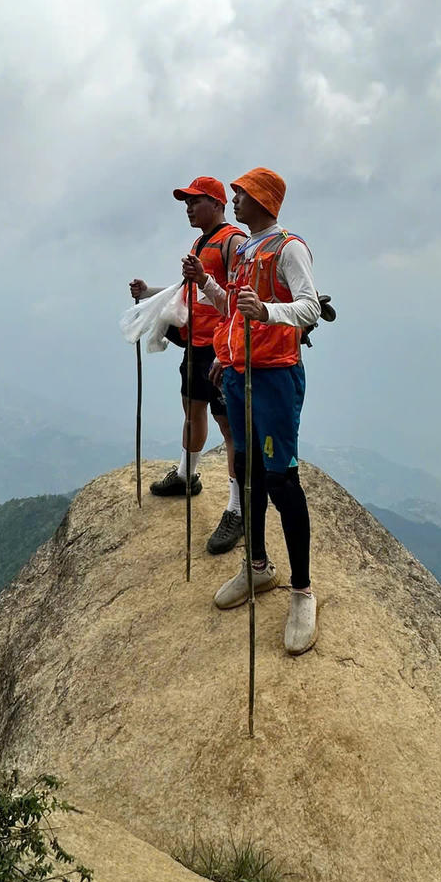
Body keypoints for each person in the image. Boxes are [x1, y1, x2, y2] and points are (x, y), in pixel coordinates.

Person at [182, 167, 321, 655]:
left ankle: (302, 592)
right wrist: (207, 286)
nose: (235, 201)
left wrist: (266, 311)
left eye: (240, 194)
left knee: (282, 480)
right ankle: (257, 567)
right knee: (249, 473)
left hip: (275, 376)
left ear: (263, 199)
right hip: (241, 373)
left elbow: (305, 306)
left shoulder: (289, 248)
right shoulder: (243, 250)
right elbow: (232, 308)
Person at [130, 177, 246, 553]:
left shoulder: (233, 242)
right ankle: (186, 474)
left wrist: (204, 278)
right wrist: (148, 292)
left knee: (230, 428)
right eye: (186, 204)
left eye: (195, 202)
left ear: (216, 203)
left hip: (223, 349)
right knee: (191, 410)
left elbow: (242, 296)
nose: (188, 209)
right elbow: (187, 290)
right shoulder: (200, 242)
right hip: (196, 344)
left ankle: (237, 509)